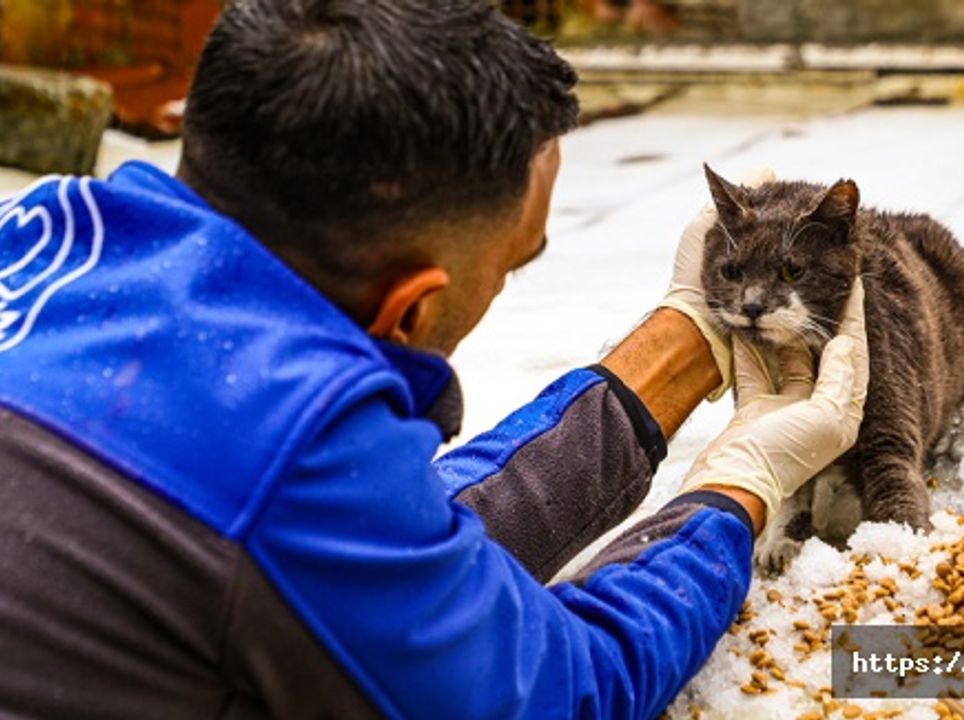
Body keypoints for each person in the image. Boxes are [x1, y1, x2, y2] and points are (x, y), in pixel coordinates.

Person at [0, 1, 869, 718]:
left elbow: (382, 553)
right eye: (510, 265)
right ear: (410, 307)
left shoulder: (50, 239)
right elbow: (566, 693)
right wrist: (736, 488)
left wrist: (679, 347)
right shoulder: (287, 453)